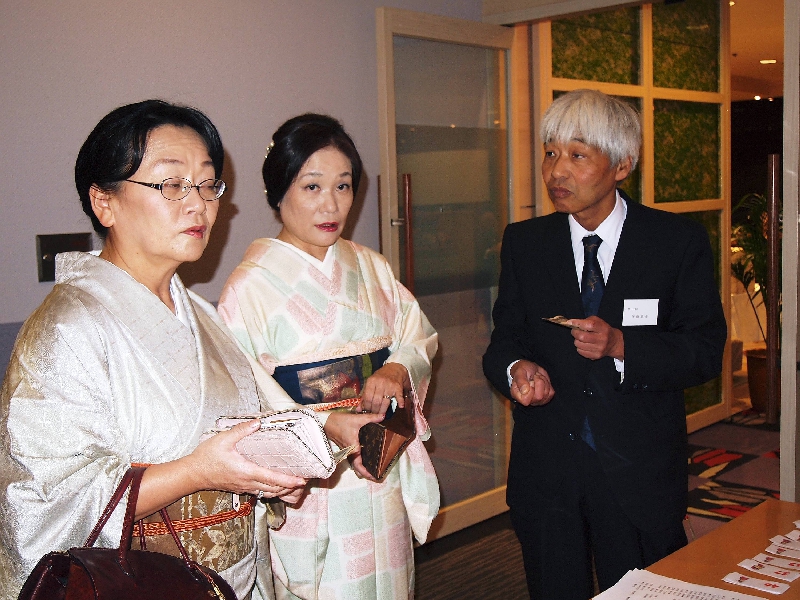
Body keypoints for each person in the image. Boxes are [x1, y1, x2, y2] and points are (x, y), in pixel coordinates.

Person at [0, 99, 307, 600]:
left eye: (207, 184)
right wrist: (198, 472)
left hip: (232, 580)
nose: (198, 204)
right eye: (171, 184)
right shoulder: (68, 327)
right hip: (141, 584)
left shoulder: (199, 314)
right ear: (104, 202)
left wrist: (267, 472)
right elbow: (44, 501)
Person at [482, 89, 727, 599]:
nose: (556, 171)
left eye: (577, 155)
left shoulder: (675, 242)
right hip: (548, 468)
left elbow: (703, 351)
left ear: (622, 165)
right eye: (550, 153)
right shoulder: (526, 243)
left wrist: (622, 346)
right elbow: (504, 340)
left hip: (638, 472)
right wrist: (517, 368)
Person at [218, 113, 440, 599]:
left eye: (343, 186)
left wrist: (396, 367)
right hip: (314, 482)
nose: (331, 204)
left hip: (380, 461)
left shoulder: (371, 267)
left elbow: (417, 335)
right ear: (279, 191)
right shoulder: (249, 287)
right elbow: (242, 399)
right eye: (312, 186)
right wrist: (324, 426)